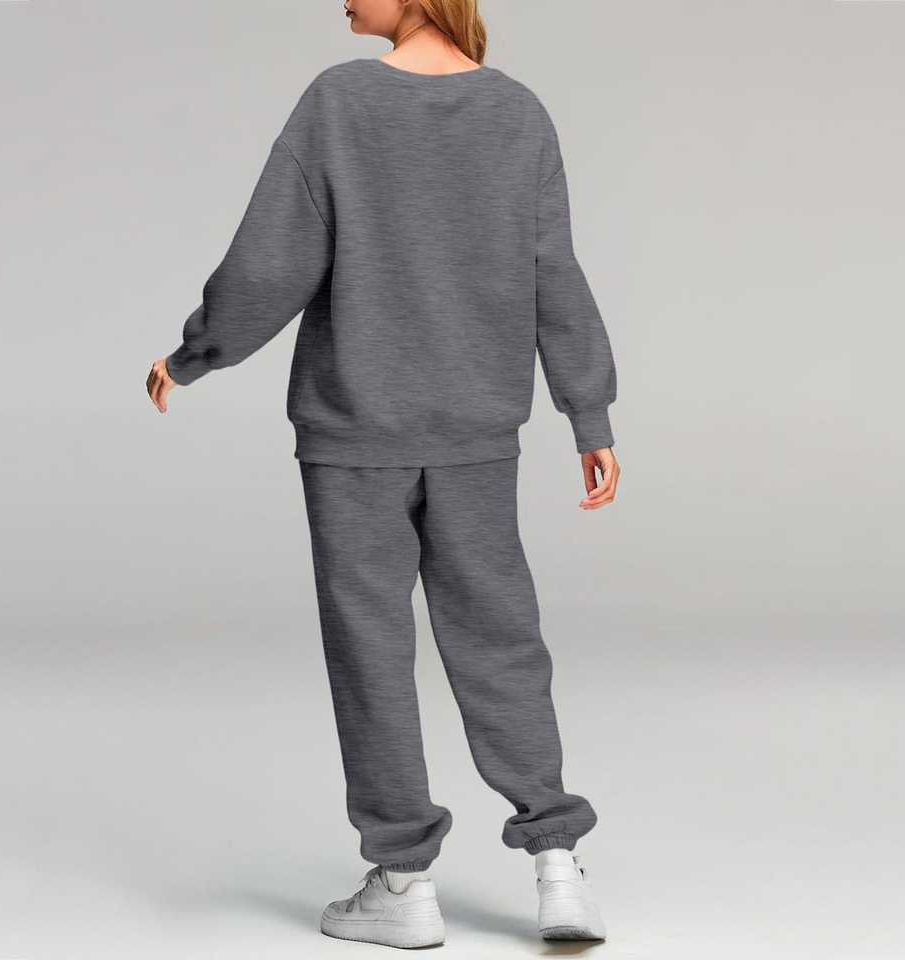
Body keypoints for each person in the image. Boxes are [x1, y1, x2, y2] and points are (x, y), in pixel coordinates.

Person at [146, 0, 619, 948]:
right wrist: (588, 411)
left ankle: (404, 883)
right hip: (478, 430)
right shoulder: (518, 112)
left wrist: (195, 354)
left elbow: (269, 264)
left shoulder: (339, 103)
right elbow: (553, 271)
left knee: (371, 649)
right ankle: (557, 864)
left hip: (354, 429)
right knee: (500, 640)